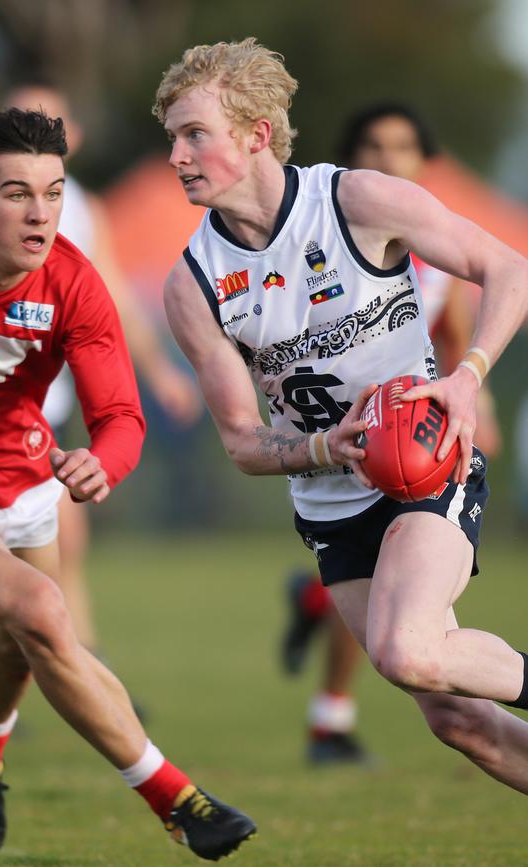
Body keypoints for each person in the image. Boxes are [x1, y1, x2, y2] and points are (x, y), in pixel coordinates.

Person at [154, 38, 528, 805]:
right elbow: (240, 441)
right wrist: (327, 444)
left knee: (406, 650)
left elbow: (509, 268)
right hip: (332, 506)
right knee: (459, 720)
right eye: (171, 139)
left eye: (195, 134)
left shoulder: (355, 200)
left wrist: (467, 376)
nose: (176, 156)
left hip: (428, 463)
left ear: (256, 134)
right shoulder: (193, 285)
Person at [0, 107, 255, 859]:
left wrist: (102, 461)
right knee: (43, 609)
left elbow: (119, 415)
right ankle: (176, 797)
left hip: (24, 489)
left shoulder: (74, 283)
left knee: (18, 641)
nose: (41, 212)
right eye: (17, 192)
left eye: (53, 192)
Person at [0, 84, 202, 720]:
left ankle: (1, 676)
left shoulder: (82, 209)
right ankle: (67, 671)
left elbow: (112, 297)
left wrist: (159, 367)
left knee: (32, 539)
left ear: (71, 133)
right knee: (18, 538)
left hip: (44, 398)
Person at [279, 101, 502, 765]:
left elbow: (458, 334)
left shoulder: (435, 253)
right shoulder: (322, 252)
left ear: (422, 161)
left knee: (408, 639)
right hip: (340, 463)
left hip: (416, 450)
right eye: (373, 146)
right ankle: (329, 701)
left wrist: (471, 394)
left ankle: (330, 707)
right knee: (439, 695)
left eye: (402, 146)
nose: (387, 158)